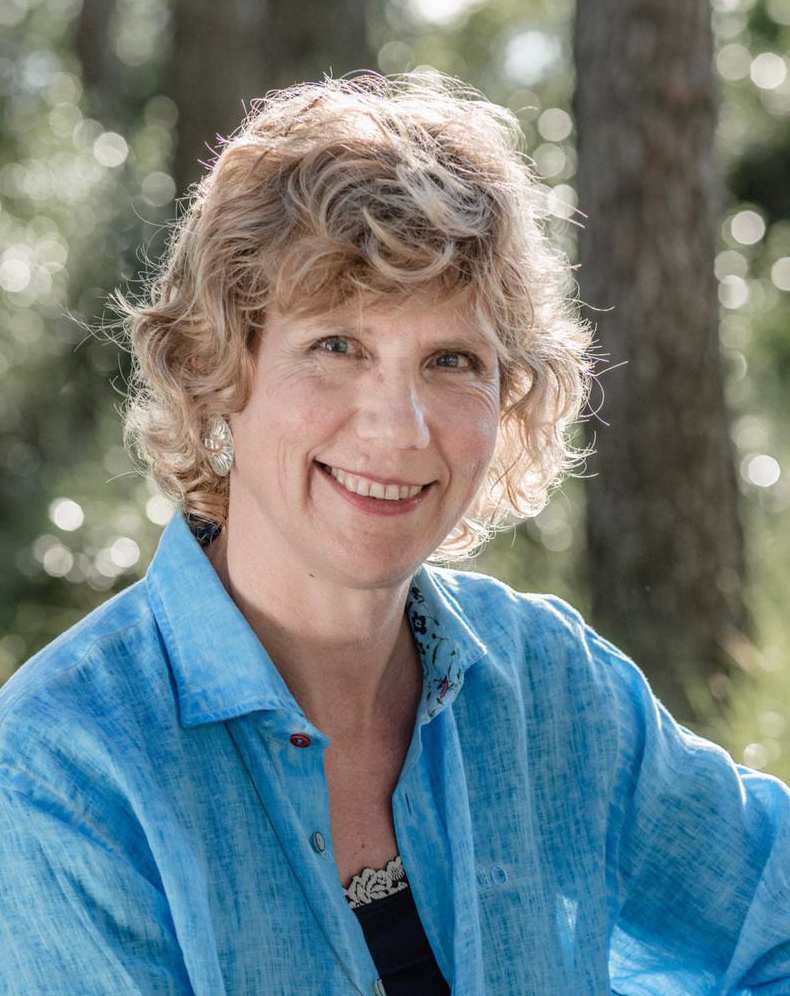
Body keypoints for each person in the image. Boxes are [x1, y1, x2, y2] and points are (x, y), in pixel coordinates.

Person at [0, 69, 788, 996]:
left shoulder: (553, 689)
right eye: (337, 347)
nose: (400, 429)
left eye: (452, 360)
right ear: (216, 367)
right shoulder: (63, 769)